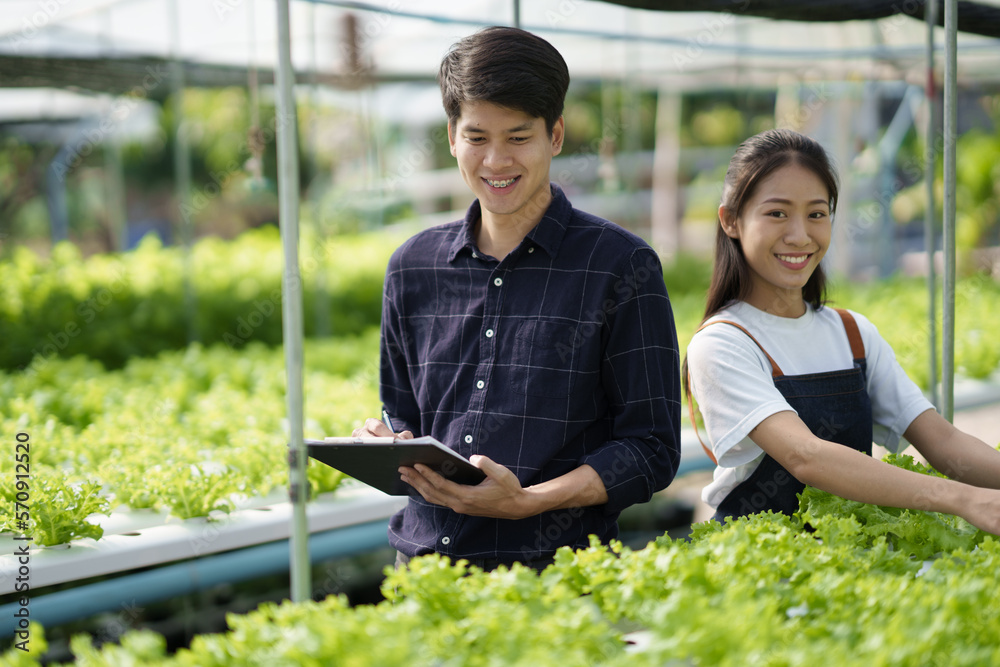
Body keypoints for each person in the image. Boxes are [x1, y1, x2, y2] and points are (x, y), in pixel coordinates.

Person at [352, 26, 681, 570]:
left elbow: (651, 448)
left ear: (555, 136)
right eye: (477, 138)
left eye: (518, 137)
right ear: (452, 136)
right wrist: (386, 439)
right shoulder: (413, 267)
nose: (496, 161)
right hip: (424, 570)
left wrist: (528, 502)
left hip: (555, 577)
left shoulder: (619, 265)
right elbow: (402, 410)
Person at [684, 128, 1000, 533]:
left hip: (849, 553)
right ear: (731, 221)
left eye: (816, 214)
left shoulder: (852, 333)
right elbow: (806, 457)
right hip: (766, 571)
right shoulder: (722, 343)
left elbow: (943, 442)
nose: (799, 236)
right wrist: (963, 499)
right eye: (777, 213)